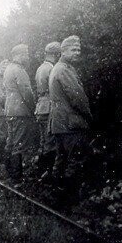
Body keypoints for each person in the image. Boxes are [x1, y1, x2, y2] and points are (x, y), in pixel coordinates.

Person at [49, 35, 92, 189]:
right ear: (63, 52)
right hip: (70, 123)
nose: (77, 52)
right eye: (73, 50)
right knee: (75, 159)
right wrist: (89, 116)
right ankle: (69, 197)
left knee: (61, 158)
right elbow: (77, 97)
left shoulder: (59, 68)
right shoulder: (64, 70)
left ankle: (57, 193)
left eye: (79, 49)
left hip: (60, 123)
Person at [3, 44, 36, 181]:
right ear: (19, 55)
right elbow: (26, 92)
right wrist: (33, 107)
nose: (27, 57)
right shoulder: (19, 70)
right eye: (25, 54)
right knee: (19, 144)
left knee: (10, 142)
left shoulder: (8, 69)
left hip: (10, 110)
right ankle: (17, 177)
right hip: (20, 112)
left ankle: (8, 172)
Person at [35, 41, 62, 171]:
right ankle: (46, 173)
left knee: (44, 140)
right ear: (56, 54)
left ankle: (40, 171)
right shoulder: (51, 68)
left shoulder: (40, 68)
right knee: (50, 141)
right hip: (49, 107)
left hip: (41, 107)